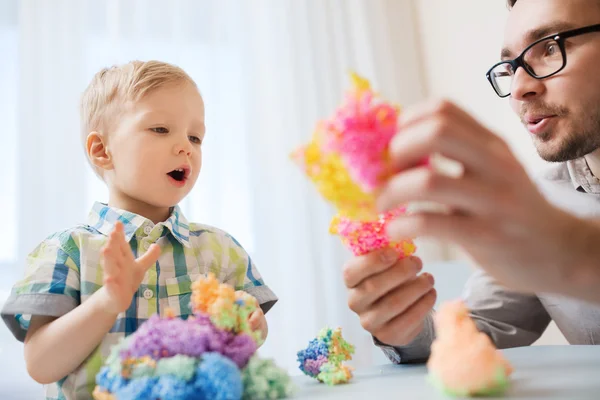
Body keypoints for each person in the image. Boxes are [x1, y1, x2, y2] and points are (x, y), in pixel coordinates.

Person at [1, 60, 278, 399]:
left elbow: (248, 340)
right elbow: (40, 365)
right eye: (161, 129)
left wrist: (252, 328)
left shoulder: (220, 250)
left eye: (195, 136)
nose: (186, 147)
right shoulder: (67, 249)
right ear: (103, 151)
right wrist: (106, 302)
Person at [343, 0, 600, 364]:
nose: (519, 88)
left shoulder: (544, 222)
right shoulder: (540, 204)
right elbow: (475, 330)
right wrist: (404, 325)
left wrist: (575, 251)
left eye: (551, 46)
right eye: (511, 67)